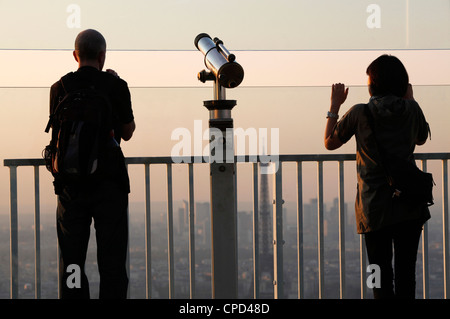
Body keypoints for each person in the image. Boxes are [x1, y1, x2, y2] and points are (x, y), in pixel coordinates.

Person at [323, 55, 430, 299]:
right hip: (409, 204)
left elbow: (330, 143)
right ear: (403, 83)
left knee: (379, 278)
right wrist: (409, 98)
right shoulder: (411, 109)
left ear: (373, 84)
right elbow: (421, 138)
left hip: (374, 207)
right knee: (406, 276)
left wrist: (335, 105)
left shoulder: (360, 113)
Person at [49, 29, 136, 299]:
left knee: (72, 263)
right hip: (109, 186)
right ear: (102, 55)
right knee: (111, 263)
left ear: (75, 55)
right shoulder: (115, 86)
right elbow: (128, 131)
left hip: (71, 188)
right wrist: (115, 85)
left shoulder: (59, 88)